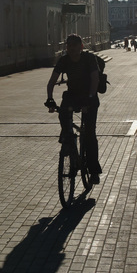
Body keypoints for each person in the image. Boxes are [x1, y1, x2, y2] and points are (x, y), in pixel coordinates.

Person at [44, 34, 102, 183]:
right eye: (69, 46)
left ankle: (94, 171)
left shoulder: (89, 59)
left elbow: (95, 79)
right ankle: (68, 138)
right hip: (73, 96)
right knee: (63, 113)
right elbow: (51, 82)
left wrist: (90, 98)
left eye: (75, 46)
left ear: (81, 47)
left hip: (89, 96)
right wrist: (50, 99)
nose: (72, 49)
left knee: (89, 134)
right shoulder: (64, 60)